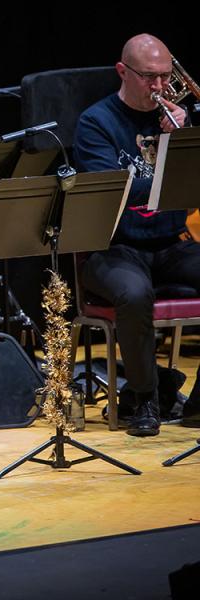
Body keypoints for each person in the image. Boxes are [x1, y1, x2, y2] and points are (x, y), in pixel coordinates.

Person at [74, 33, 199, 435]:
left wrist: (183, 137)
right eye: (149, 77)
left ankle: (197, 403)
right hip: (115, 246)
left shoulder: (177, 121)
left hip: (169, 243)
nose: (160, 88)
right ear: (123, 72)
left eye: (165, 77)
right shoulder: (95, 122)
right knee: (133, 293)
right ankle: (144, 400)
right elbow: (118, 188)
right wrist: (171, 161)